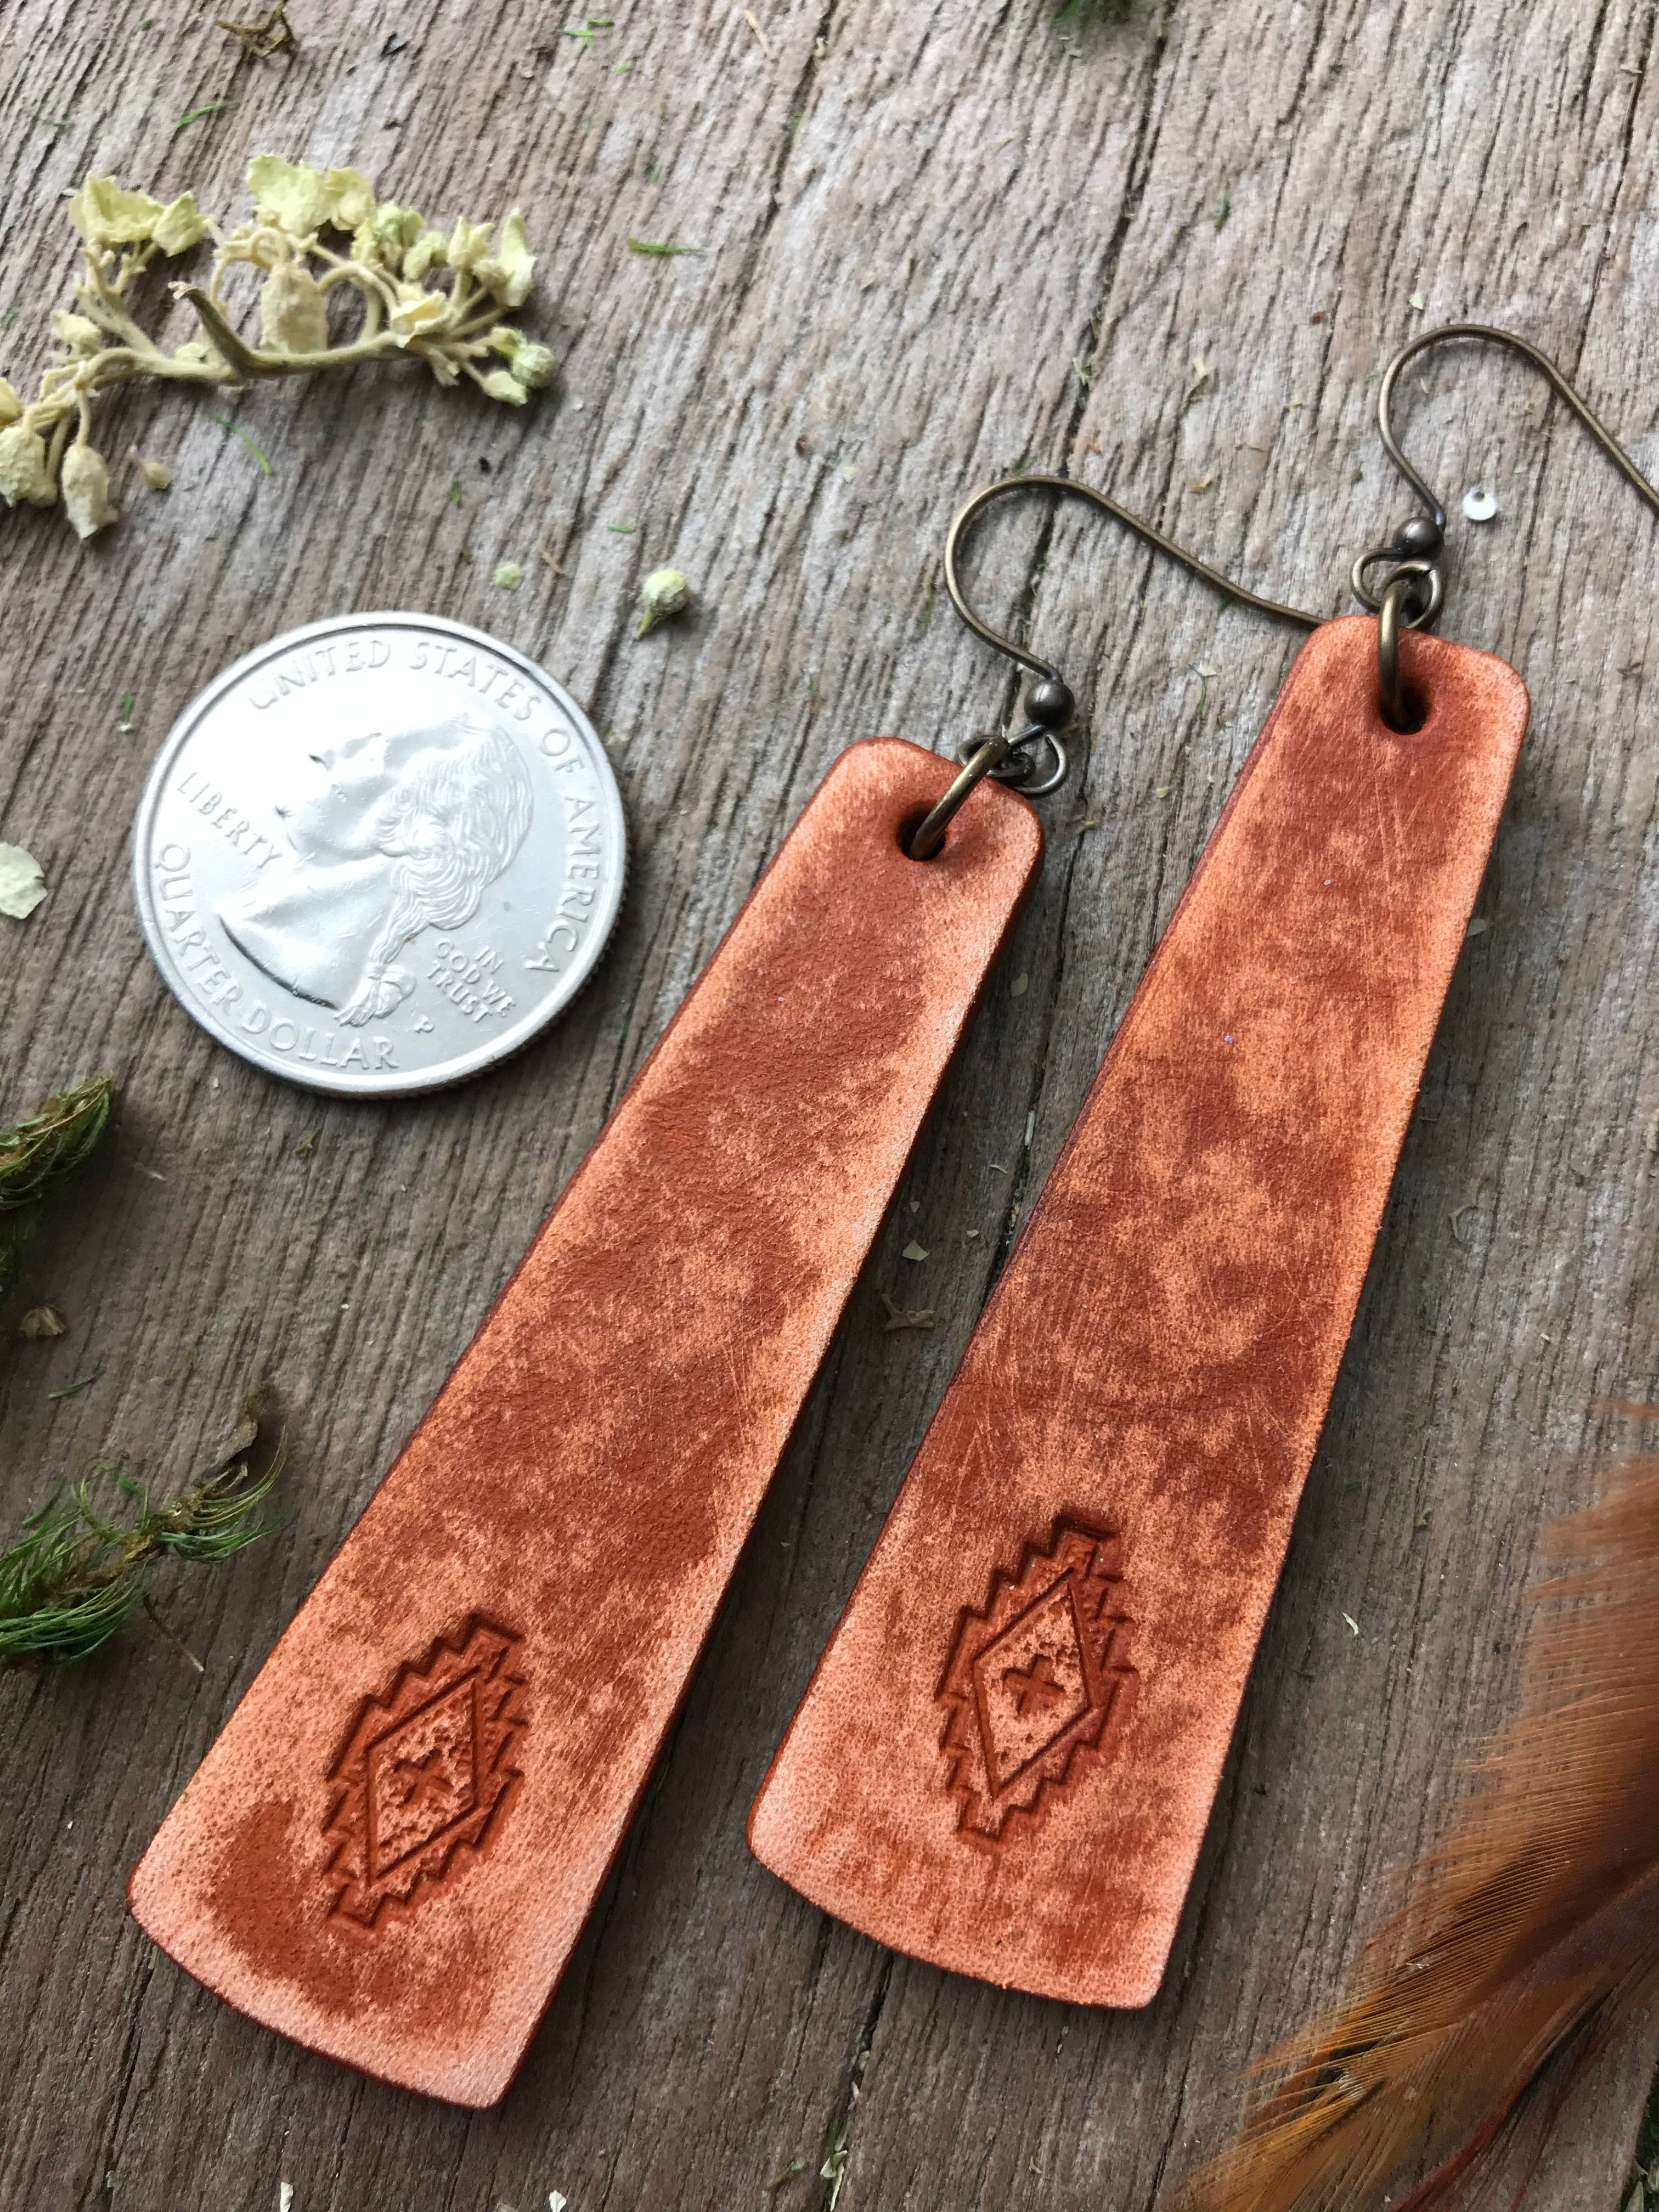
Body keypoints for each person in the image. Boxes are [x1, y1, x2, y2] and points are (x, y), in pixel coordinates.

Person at [219, 712, 534, 1026]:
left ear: (416, 821)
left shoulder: (302, 962)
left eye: (372, 753)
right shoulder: (249, 921)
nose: (323, 750)